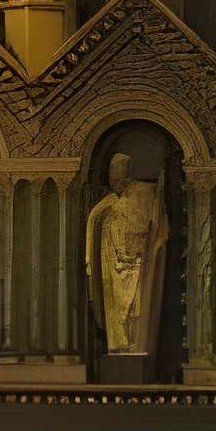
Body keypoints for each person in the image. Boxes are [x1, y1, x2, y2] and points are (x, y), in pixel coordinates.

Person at [86, 151, 169, 357]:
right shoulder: (106, 206)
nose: (116, 181)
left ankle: (136, 347)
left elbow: (157, 230)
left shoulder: (146, 195)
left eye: (120, 175)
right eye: (113, 177)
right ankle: (119, 348)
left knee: (136, 310)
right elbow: (94, 230)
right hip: (113, 266)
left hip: (138, 265)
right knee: (116, 311)